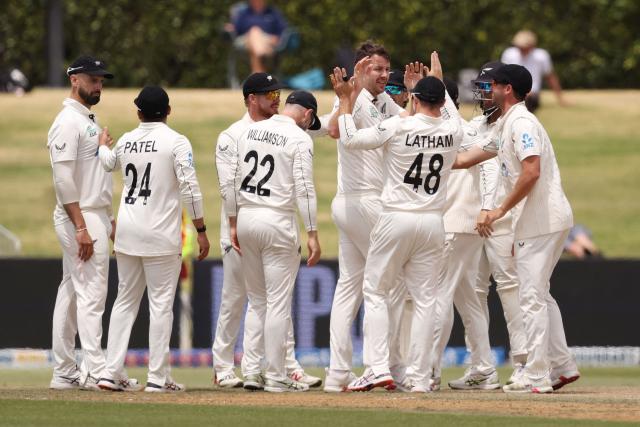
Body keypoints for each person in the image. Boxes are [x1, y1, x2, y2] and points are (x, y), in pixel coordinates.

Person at [332, 51, 464, 393]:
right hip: (433, 222)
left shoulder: (399, 124)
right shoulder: (452, 131)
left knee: (375, 290)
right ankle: (420, 378)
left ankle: (377, 367)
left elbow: (349, 139)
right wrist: (435, 81)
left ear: (415, 98)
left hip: (395, 217)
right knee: (424, 300)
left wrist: (346, 103)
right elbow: (452, 117)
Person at [454, 64, 580, 393]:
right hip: (539, 221)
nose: (484, 91)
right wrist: (425, 152)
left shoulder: (521, 122)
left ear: (507, 88)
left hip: (541, 220)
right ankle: (562, 365)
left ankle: (536, 374)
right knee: (539, 294)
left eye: (490, 85)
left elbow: (531, 172)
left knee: (531, 297)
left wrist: (498, 211)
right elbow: (469, 157)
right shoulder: (505, 125)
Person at [96, 86, 210, 393]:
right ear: (169, 111)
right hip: (160, 234)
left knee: (124, 302)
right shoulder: (176, 141)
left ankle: (110, 371)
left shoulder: (126, 141)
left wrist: (102, 146)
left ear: (138, 113)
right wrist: (200, 229)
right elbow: (190, 188)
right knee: (160, 306)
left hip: (128, 233)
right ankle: (158, 378)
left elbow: (108, 163)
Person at [213, 73, 321, 390]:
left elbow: (232, 183)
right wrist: (312, 232)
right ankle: (275, 375)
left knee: (259, 303)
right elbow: (305, 189)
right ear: (306, 115)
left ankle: (252, 371)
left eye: (277, 94)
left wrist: (234, 221)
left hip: (245, 219)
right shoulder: (297, 138)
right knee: (272, 303)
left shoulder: (251, 132)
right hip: (276, 220)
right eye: (268, 93)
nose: (274, 98)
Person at [323, 41, 409, 393]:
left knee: (349, 287)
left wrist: (415, 93)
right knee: (390, 284)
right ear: (360, 69)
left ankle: (338, 374)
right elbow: (332, 130)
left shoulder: (383, 100)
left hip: (357, 205)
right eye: (377, 69)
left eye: (387, 69)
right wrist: (346, 97)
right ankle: (386, 367)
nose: (384, 75)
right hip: (364, 202)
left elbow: (407, 119)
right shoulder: (351, 95)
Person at [47, 55, 115, 391]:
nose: (98, 85)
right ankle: (95, 371)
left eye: (101, 80)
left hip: (92, 213)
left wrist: (108, 216)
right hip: (81, 215)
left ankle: (64, 371)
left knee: (73, 291)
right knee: (91, 292)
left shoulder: (86, 120)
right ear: (74, 79)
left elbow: (90, 174)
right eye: (92, 79)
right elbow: (63, 180)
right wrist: (81, 226)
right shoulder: (66, 122)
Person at [501, 30, 567, 112]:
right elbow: (502, 76)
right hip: (511, 92)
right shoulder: (509, 54)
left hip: (532, 96)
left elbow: (550, 77)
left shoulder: (541, 56)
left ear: (532, 46)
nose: (522, 49)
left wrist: (560, 99)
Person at [228, 0, 288, 73]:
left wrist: (275, 38)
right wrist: (230, 28)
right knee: (254, 32)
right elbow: (236, 29)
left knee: (255, 43)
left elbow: (282, 31)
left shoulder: (273, 12)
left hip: (268, 40)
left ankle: (257, 76)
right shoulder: (243, 13)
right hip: (246, 39)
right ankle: (263, 52)